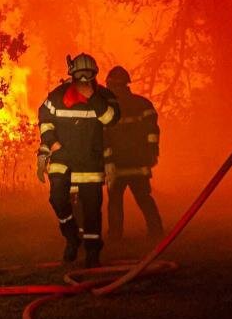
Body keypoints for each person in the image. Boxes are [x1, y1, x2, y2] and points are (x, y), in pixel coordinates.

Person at [36, 53, 120, 268]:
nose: (83, 78)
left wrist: (92, 97)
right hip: (62, 159)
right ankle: (72, 238)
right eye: (79, 74)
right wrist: (50, 144)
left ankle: (92, 252)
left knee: (92, 210)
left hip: (90, 162)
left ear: (95, 75)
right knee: (57, 199)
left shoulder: (104, 97)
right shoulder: (57, 96)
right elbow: (44, 118)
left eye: (88, 74)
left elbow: (111, 119)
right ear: (71, 75)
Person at [103, 65, 163, 240]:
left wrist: (107, 162)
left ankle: (115, 235)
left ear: (111, 86)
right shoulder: (143, 104)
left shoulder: (106, 109)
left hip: (116, 165)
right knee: (144, 198)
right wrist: (152, 153)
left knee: (114, 201)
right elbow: (153, 131)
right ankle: (156, 230)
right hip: (139, 163)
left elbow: (102, 137)